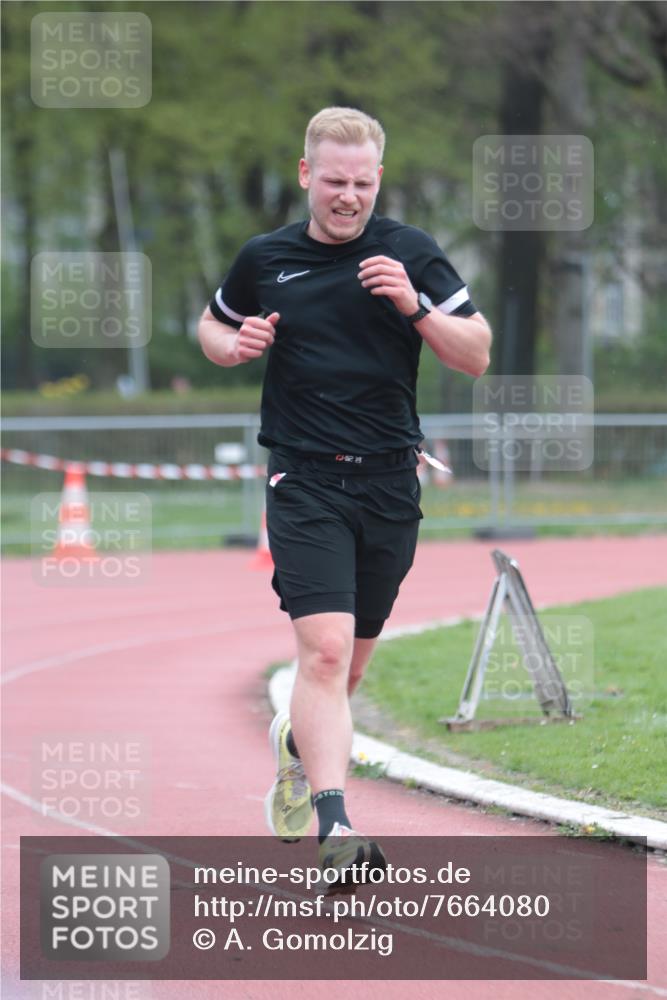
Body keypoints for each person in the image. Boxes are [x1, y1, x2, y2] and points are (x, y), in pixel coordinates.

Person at [198, 107, 491, 894]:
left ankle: (297, 748)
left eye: (361, 183)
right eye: (333, 181)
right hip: (304, 481)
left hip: (391, 483)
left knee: (348, 669)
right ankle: (337, 825)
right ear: (305, 176)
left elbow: (476, 355)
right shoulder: (267, 258)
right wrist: (233, 347)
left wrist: (415, 307)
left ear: (377, 181)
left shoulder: (412, 254)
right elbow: (212, 324)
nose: (347, 197)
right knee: (323, 652)